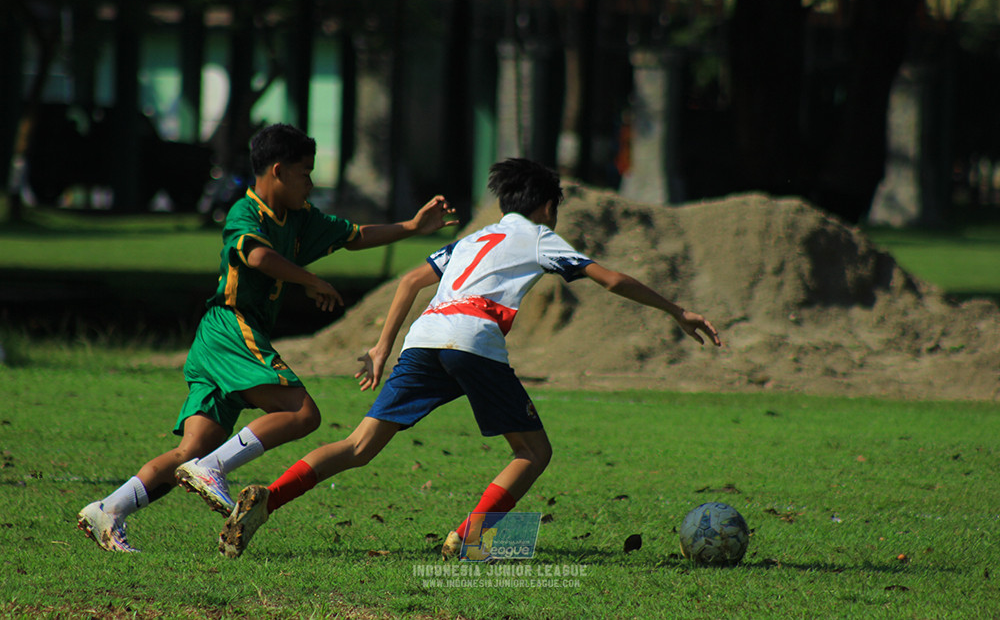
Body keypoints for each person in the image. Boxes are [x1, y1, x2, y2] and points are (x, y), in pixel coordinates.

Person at [217, 157, 722, 559]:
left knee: (358, 445)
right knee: (533, 452)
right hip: (474, 339)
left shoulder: (474, 238)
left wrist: (381, 348)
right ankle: (468, 537)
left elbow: (411, 282)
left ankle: (269, 497)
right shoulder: (539, 236)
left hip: (424, 337)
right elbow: (610, 279)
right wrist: (676, 310)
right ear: (547, 206)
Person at [76, 123, 458, 552]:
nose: (310, 184)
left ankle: (108, 510)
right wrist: (310, 280)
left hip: (216, 341)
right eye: (305, 173)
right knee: (302, 413)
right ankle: (214, 469)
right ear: (278, 171)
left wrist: (412, 226)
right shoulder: (246, 212)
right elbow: (257, 256)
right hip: (230, 328)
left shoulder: (300, 218)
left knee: (189, 452)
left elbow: (354, 236)